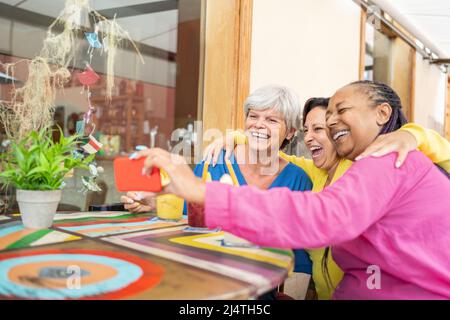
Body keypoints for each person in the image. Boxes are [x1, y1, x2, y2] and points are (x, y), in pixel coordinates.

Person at [136, 80, 450, 299]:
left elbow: (321, 217)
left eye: (341, 111)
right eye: (326, 119)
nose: (330, 124)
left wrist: (415, 135)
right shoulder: (357, 165)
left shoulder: (388, 158)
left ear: (382, 114)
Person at [121, 85, 315, 297]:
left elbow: (300, 256)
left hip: (261, 292)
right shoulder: (214, 162)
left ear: (290, 132)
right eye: (253, 116)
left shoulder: (298, 180)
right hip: (203, 282)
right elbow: (186, 219)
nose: (259, 125)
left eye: (272, 120)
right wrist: (151, 203)